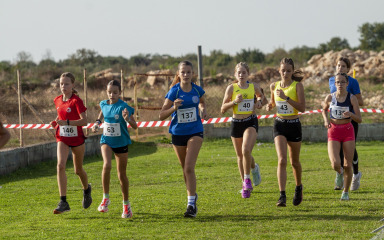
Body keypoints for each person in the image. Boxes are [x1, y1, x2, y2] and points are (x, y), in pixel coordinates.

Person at [159, 60, 207, 218]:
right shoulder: (174, 91)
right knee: (185, 170)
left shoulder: (197, 90)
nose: (186, 75)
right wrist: (174, 107)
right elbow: (161, 115)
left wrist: (202, 110)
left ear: (193, 74)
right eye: (183, 72)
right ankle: (192, 196)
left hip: (195, 131)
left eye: (188, 72)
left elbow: (202, 103)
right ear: (178, 74)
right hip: (178, 133)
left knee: (188, 167)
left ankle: (191, 205)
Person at [92, 80, 137, 219]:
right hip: (107, 140)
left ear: (120, 93)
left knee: (121, 175)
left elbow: (135, 126)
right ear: (107, 92)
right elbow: (102, 113)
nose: (112, 94)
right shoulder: (104, 104)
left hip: (121, 142)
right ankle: (105, 198)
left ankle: (126, 205)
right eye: (109, 92)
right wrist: (97, 123)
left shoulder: (124, 107)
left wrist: (127, 119)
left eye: (115, 92)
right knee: (106, 165)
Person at [220, 62, 265, 199]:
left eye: (243, 72)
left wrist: (259, 102)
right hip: (236, 123)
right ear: (235, 74)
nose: (241, 75)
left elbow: (261, 97)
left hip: (250, 121)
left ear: (248, 74)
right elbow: (222, 109)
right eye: (238, 73)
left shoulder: (253, 86)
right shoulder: (231, 89)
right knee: (240, 155)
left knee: (246, 150)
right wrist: (234, 102)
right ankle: (251, 173)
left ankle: (247, 180)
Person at [50, 72, 92, 214]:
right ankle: (63, 201)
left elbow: (84, 121)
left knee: (78, 170)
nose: (63, 86)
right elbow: (60, 115)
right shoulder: (57, 100)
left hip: (77, 139)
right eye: (61, 84)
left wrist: (67, 122)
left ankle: (87, 190)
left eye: (66, 84)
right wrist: (56, 123)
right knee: (60, 165)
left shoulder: (76, 101)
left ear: (73, 85)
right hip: (62, 137)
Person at [266, 58, 306, 207]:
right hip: (280, 124)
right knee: (282, 160)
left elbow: (302, 108)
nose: (285, 73)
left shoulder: (297, 86)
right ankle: (282, 195)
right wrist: (269, 106)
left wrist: (287, 98)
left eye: (288, 70)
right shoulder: (274, 86)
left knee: (294, 162)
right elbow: (273, 102)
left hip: (294, 124)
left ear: (292, 71)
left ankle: (298, 187)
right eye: (283, 70)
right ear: (279, 70)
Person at [322, 73, 362, 200]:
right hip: (333, 131)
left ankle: (345, 192)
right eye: (338, 82)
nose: (340, 84)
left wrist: (350, 114)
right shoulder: (330, 97)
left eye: (343, 82)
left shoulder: (352, 98)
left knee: (347, 164)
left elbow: (359, 119)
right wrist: (325, 120)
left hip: (347, 130)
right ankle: (339, 173)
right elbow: (324, 109)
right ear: (335, 84)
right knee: (335, 163)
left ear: (347, 83)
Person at [328, 57, 364, 191]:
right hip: (336, 122)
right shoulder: (332, 80)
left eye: (343, 66)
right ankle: (341, 176)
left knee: (350, 150)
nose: (340, 68)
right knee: (338, 151)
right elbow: (332, 99)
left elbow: (361, 101)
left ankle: (355, 174)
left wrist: (348, 98)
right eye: (338, 65)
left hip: (351, 121)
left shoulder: (353, 82)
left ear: (348, 69)